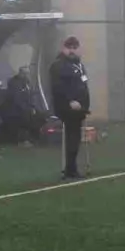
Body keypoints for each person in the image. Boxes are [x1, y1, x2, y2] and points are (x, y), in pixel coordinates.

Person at [48, 36, 91, 179]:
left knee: (76, 138)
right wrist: (70, 101)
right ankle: (70, 169)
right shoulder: (58, 65)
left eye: (74, 47)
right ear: (63, 48)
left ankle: (72, 167)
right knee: (72, 138)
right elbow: (58, 87)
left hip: (79, 109)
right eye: (69, 47)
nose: (72, 50)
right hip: (67, 108)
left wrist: (84, 104)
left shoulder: (79, 65)